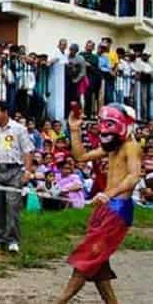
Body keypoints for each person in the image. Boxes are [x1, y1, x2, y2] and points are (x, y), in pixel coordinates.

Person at [56, 103, 142, 304]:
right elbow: (80, 157)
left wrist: (109, 193)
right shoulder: (114, 147)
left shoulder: (132, 146)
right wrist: (75, 129)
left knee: (86, 259)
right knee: (97, 263)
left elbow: (134, 177)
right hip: (106, 208)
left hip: (118, 210)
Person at [0, 100, 33, 253]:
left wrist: (27, 172)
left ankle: (13, 240)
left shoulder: (19, 129)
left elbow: (27, 151)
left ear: (5, 112)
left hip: (14, 171)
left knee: (12, 205)